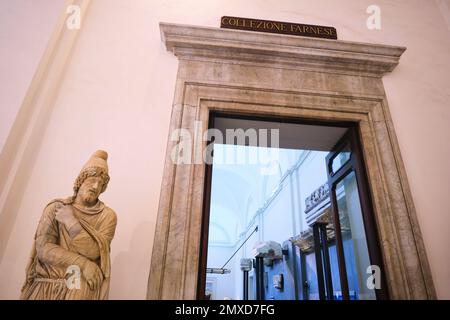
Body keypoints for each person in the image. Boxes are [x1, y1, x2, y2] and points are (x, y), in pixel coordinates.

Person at [21, 150, 117, 299]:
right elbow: (43, 249)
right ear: (80, 180)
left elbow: (93, 251)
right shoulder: (56, 207)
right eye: (92, 180)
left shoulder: (107, 216)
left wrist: (71, 222)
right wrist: (84, 264)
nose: (95, 186)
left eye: (101, 183)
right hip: (46, 280)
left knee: (79, 283)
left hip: (75, 280)